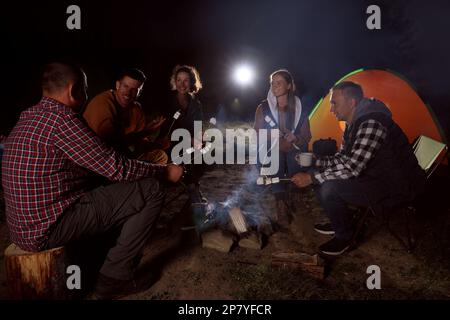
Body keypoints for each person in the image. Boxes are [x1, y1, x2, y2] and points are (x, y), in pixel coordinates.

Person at [1, 62, 184, 299]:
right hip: (45, 229)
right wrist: (164, 172)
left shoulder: (29, 116)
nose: (86, 95)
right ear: (73, 89)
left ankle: (99, 257)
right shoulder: (63, 120)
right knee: (151, 189)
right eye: (85, 89)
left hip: (22, 228)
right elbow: (116, 168)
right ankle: (115, 277)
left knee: (112, 188)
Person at [291, 81, 426, 256]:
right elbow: (344, 158)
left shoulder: (372, 123)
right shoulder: (352, 123)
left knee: (328, 186)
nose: (331, 109)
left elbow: (352, 168)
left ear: (351, 102)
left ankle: (346, 236)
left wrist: (312, 178)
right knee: (317, 174)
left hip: (396, 185)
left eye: (334, 103)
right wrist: (317, 161)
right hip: (373, 175)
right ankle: (341, 222)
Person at [254, 69, 312, 229]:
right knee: (276, 159)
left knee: (295, 158)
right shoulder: (263, 107)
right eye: (273, 83)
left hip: (294, 146)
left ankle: (294, 197)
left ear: (289, 86)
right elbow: (258, 132)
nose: (275, 85)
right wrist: (277, 141)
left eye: (279, 82)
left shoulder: (300, 108)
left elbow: (307, 135)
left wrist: (296, 138)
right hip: (272, 147)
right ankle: (281, 204)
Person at [83, 68, 168, 164]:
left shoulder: (136, 110)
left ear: (139, 92)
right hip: (98, 156)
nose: (128, 93)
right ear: (117, 85)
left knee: (160, 156)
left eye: (134, 90)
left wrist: (156, 145)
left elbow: (138, 145)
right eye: (125, 86)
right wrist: (145, 132)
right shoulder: (102, 103)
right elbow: (110, 143)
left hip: (121, 154)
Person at [160, 65, 205, 203]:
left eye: (186, 80)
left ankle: (194, 189)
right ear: (175, 81)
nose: (182, 84)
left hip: (189, 143)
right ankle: (192, 189)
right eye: (179, 80)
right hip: (170, 142)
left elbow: (197, 127)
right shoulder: (168, 102)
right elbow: (168, 129)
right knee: (186, 151)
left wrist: (198, 138)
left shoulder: (196, 104)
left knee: (202, 149)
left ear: (191, 82)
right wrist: (189, 138)